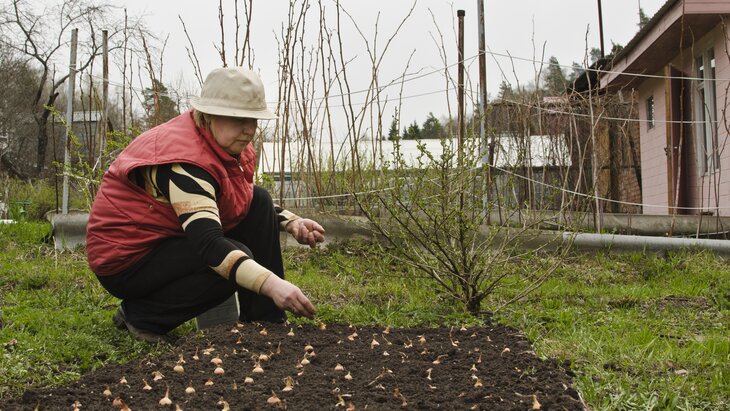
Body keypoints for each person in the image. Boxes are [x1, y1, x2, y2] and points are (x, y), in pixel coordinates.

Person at [86, 67, 325, 343]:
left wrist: (291, 222)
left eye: (254, 120)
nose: (249, 130)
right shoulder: (183, 161)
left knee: (259, 199)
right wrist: (272, 285)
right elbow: (211, 246)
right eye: (239, 119)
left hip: (166, 236)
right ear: (209, 114)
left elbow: (240, 199)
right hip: (128, 258)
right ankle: (142, 315)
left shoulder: (223, 144)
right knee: (229, 261)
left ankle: (265, 321)